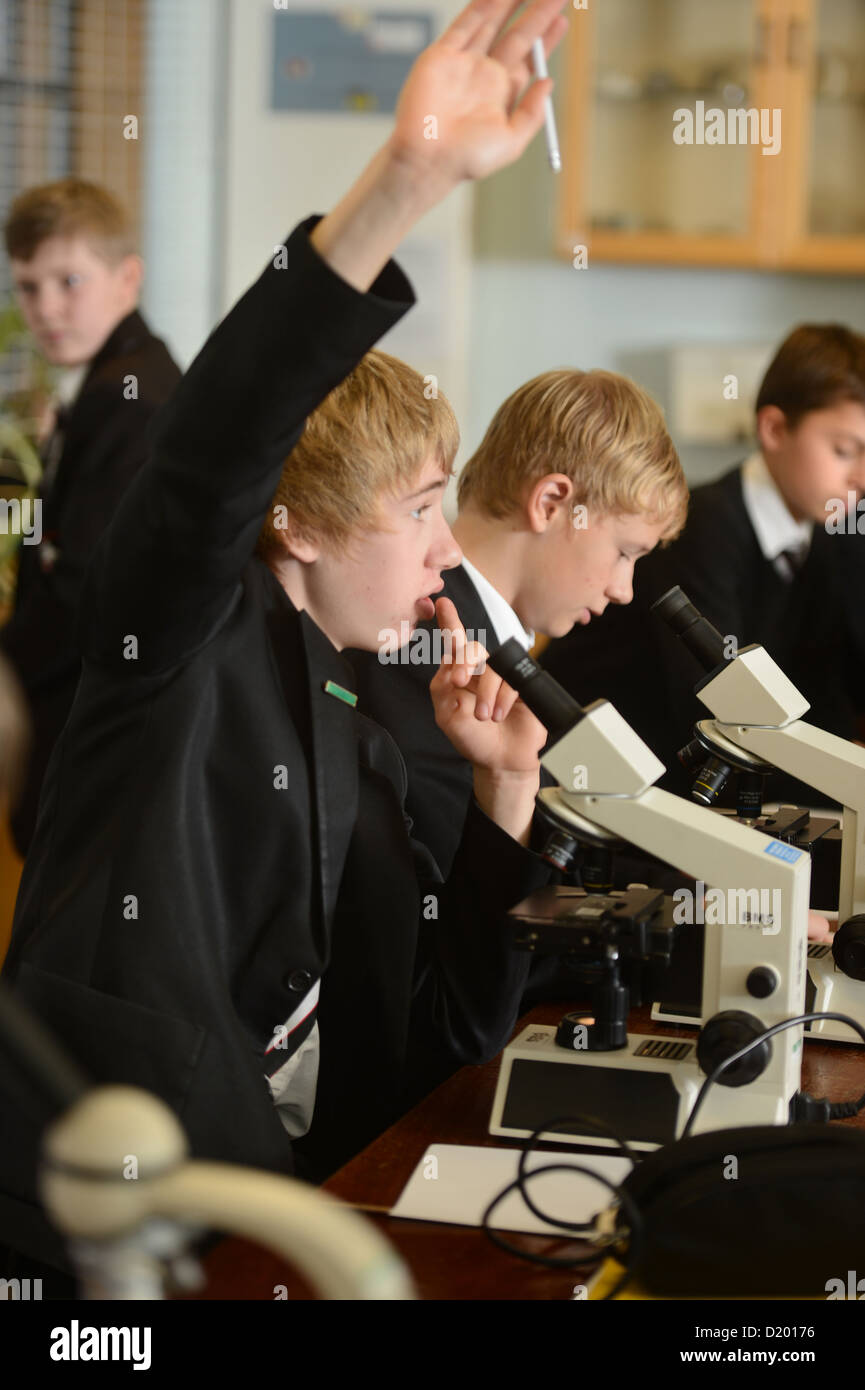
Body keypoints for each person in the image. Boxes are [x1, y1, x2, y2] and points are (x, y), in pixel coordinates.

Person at [0, 0, 571, 1282]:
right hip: (87, 1237)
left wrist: (504, 792)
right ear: (299, 525)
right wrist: (404, 180)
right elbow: (214, 451)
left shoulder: (363, 726)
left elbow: (443, 1042)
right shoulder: (180, 641)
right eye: (419, 512)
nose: (442, 554)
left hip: (269, 1223)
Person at [349, 367, 687, 875]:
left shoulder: (493, 642)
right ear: (551, 503)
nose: (625, 590)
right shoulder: (426, 651)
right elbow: (459, 874)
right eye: (624, 552)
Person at [542, 324, 865, 807]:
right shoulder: (703, 531)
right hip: (599, 788)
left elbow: (834, 688)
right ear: (774, 429)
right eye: (844, 450)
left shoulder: (834, 532)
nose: (860, 476)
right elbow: (721, 723)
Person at [0, 178, 181, 855]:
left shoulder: (127, 399)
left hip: (95, 720)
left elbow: (85, 590)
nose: (47, 308)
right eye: (28, 286)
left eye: (68, 281)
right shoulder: (113, 379)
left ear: (126, 278)